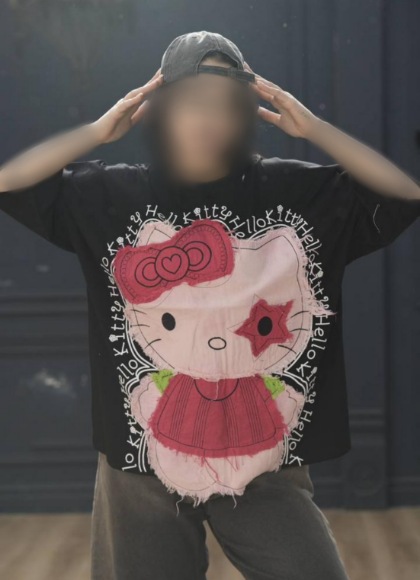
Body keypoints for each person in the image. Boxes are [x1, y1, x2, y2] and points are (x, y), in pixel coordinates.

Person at [1, 30, 419, 580]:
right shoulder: (111, 197)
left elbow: (404, 196)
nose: (209, 119)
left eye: (226, 103)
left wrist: (314, 128)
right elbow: (9, 185)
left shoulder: (293, 193)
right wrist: (98, 132)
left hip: (264, 463)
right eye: (192, 101)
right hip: (141, 467)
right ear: (161, 110)